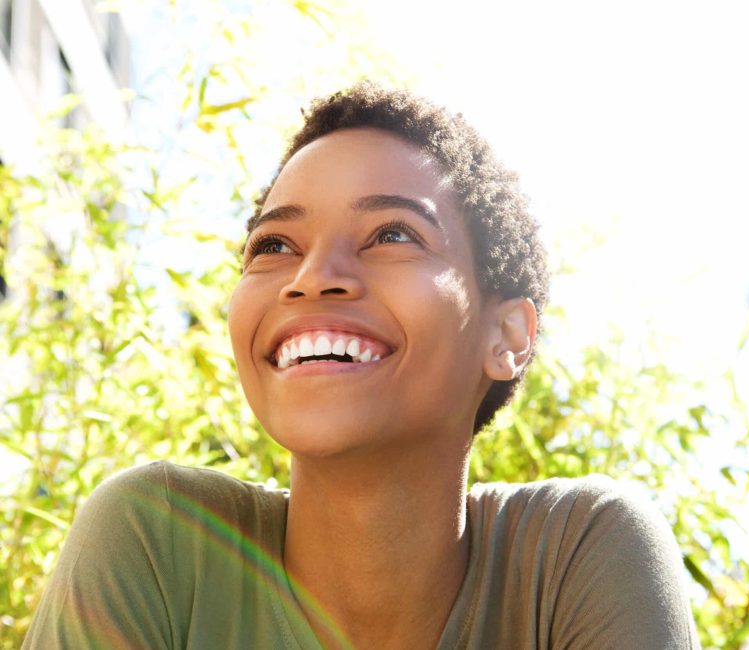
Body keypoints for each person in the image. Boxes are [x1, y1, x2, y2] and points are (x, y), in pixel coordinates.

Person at [23, 83, 700, 649]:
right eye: (276, 244)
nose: (313, 277)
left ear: (508, 335)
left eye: (392, 235)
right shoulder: (158, 540)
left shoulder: (576, 556)